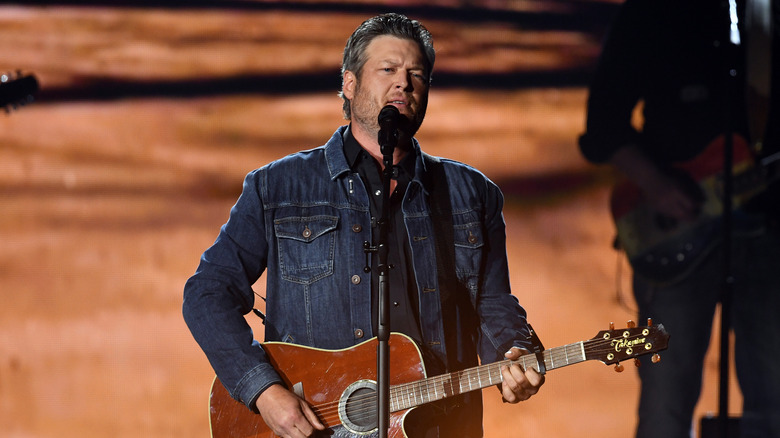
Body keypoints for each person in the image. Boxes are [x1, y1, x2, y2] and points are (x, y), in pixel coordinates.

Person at [183, 13, 544, 438]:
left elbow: (493, 302)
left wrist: (513, 348)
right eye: (388, 69)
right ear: (350, 84)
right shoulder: (278, 187)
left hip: (441, 426)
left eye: (416, 74)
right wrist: (263, 391)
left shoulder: (473, 194)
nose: (404, 84)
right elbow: (207, 293)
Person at [579, 0, 780, 437]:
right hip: (673, 229)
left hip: (768, 228)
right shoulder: (655, 11)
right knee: (665, 402)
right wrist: (655, 182)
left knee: (774, 399)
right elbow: (602, 124)